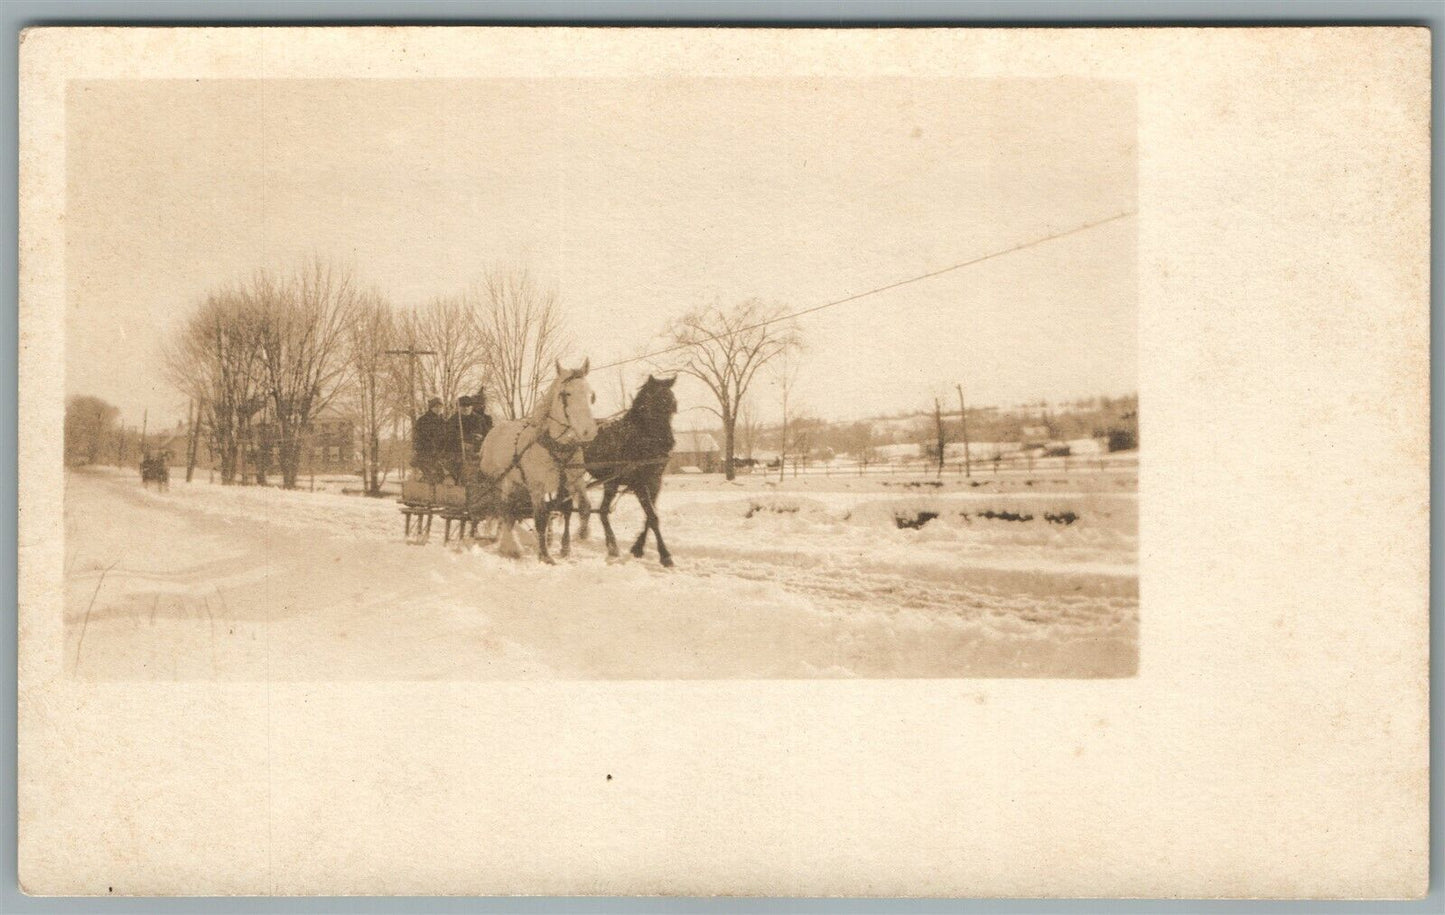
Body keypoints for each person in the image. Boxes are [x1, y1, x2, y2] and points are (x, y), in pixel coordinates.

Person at [412, 397, 447, 483]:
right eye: (436, 407)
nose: (438, 409)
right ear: (431, 408)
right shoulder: (423, 420)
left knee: (441, 476)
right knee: (432, 475)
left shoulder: (443, 421)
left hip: (439, 453)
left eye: (440, 407)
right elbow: (419, 437)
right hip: (426, 453)